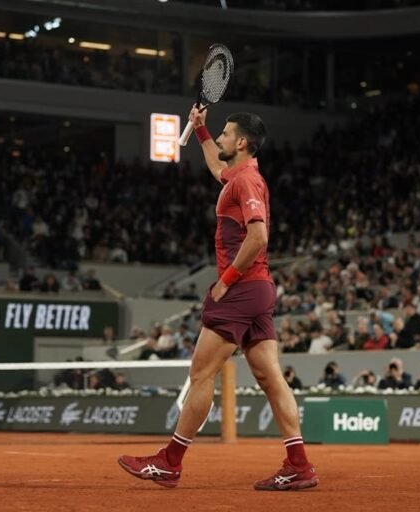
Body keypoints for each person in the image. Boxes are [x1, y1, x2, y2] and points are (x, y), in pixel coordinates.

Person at [118, 108, 318, 491]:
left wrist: (225, 282)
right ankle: (299, 465)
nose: (223, 139)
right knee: (271, 377)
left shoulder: (247, 182)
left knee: (200, 375)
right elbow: (215, 166)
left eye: (227, 134)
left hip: (241, 288)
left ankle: (169, 462)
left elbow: (258, 237)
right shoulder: (237, 176)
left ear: (242, 142)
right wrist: (201, 128)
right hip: (259, 289)